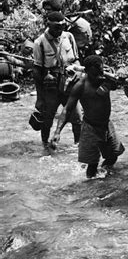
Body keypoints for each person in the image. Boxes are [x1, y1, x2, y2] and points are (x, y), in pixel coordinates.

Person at [50, 55, 125, 178]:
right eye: (96, 72)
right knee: (92, 164)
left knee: (113, 156)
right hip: (91, 127)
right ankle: (91, 187)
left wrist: (121, 74)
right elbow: (67, 109)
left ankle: (106, 175)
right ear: (88, 70)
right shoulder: (81, 85)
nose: (100, 75)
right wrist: (57, 132)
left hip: (106, 124)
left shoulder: (105, 79)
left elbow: (120, 82)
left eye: (101, 70)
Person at [32, 11, 82, 153]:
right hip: (51, 87)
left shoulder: (69, 37)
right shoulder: (39, 42)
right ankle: (45, 147)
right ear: (48, 24)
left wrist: (76, 73)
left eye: (62, 26)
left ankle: (77, 147)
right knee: (47, 119)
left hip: (69, 84)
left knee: (77, 118)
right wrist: (40, 98)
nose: (59, 29)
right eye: (56, 27)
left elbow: (76, 58)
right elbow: (36, 71)